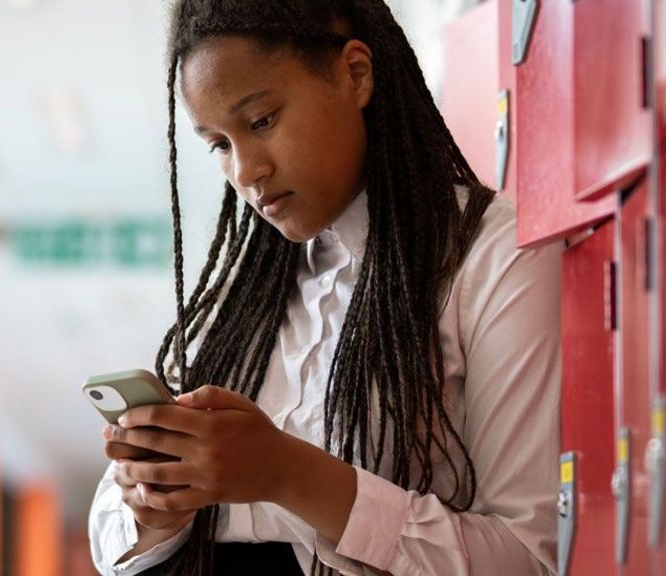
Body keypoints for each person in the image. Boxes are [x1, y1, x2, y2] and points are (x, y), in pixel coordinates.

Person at [89, 1, 561, 574]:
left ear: (355, 74)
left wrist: (289, 473)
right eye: (218, 143)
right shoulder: (246, 289)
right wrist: (154, 508)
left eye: (262, 120)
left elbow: (526, 558)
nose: (244, 171)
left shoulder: (488, 256)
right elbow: (112, 540)